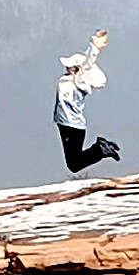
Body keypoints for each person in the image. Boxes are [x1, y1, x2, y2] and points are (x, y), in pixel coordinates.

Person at [53, 29, 122, 172]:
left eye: (71, 66)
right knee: (74, 162)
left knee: (74, 164)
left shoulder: (80, 81)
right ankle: (100, 148)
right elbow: (86, 61)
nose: (67, 68)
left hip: (71, 126)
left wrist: (95, 45)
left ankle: (101, 150)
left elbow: (88, 63)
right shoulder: (69, 79)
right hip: (67, 125)